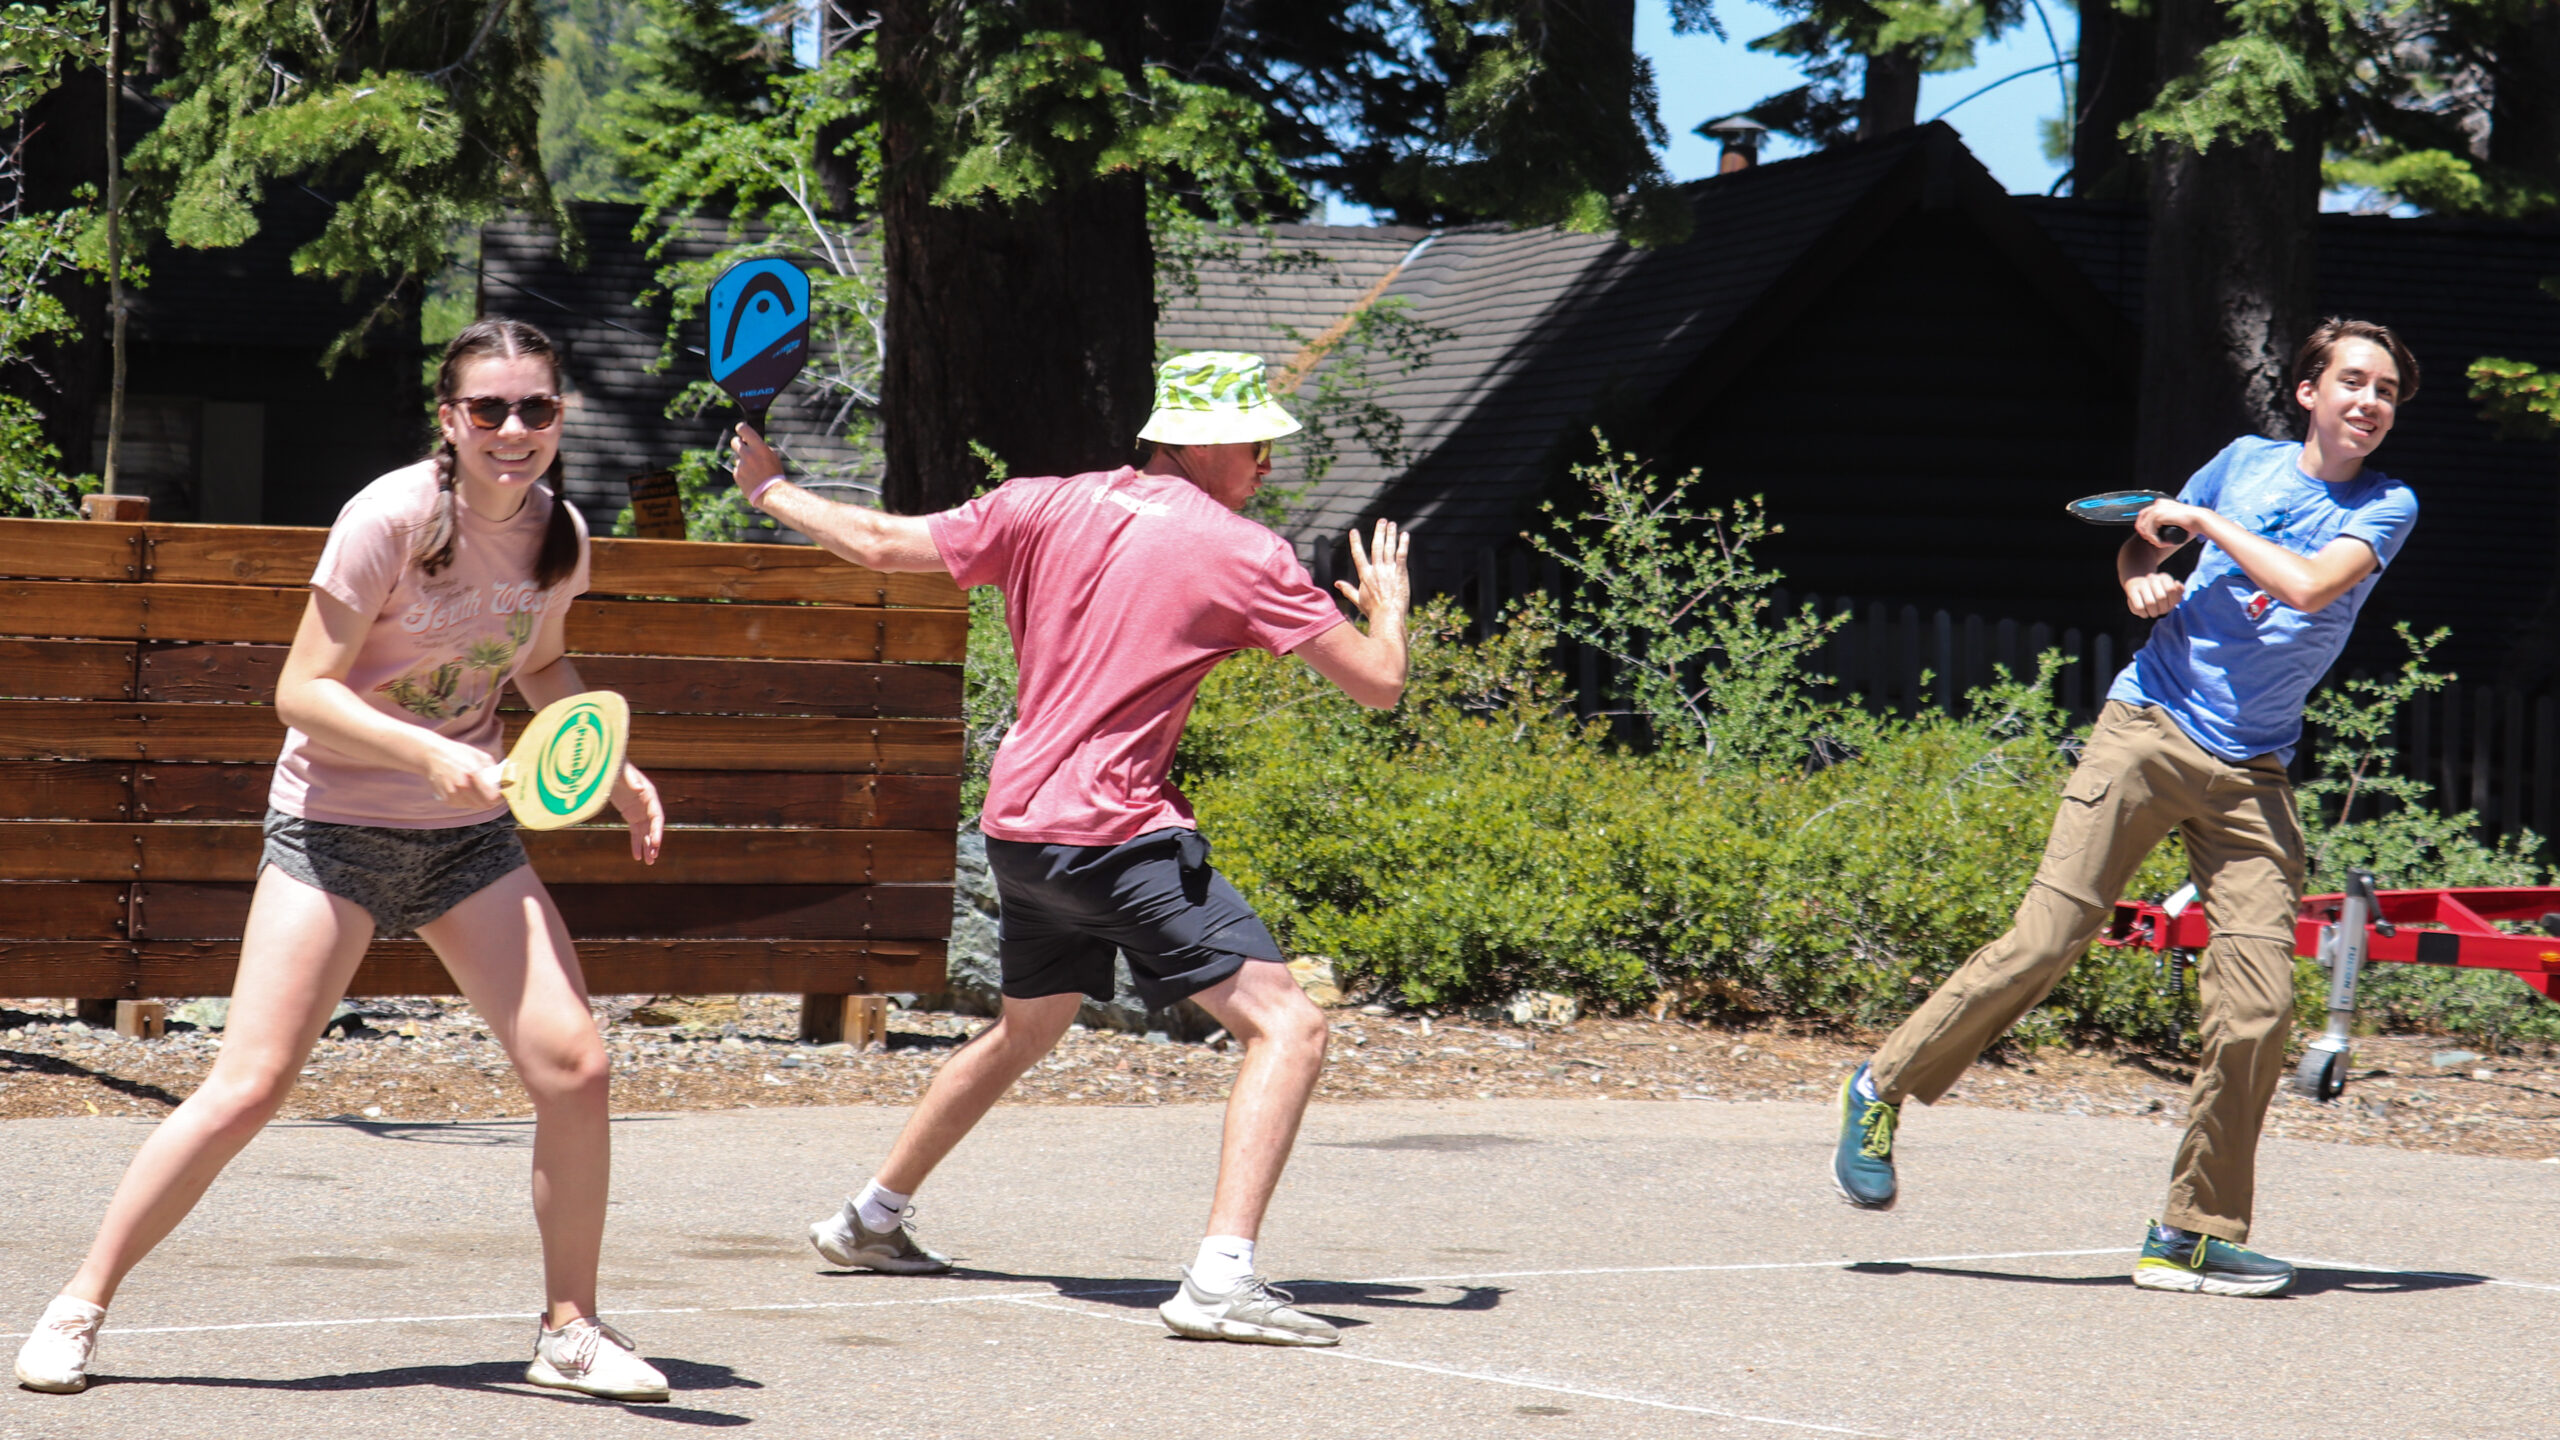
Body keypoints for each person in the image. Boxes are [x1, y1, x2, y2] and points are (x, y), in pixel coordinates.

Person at [13, 319, 672, 1399]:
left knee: (576, 1068)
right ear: (450, 420)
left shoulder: (559, 531)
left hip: (468, 840)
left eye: (536, 408)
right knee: (250, 1085)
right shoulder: (389, 518)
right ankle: (78, 1306)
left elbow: (542, 665)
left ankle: (569, 1331)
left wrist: (608, 761)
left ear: (563, 416)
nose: (513, 429)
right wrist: (427, 751)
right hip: (334, 830)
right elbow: (301, 690)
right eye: (489, 409)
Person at [726, 351, 1410, 1346]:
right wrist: (1387, 610)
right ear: (1201, 443)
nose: (1268, 465)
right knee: (1290, 1029)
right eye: (1258, 445)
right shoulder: (1245, 553)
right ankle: (1221, 1282)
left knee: (1027, 1029)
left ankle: (867, 1220)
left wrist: (771, 489)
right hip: (1115, 836)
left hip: (1019, 831)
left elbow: (877, 542)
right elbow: (1378, 684)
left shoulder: (1038, 503)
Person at [1830, 319, 2422, 1298]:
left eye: (2387, 391)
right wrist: (2141, 578)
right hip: (2147, 729)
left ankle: (2192, 1233)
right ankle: (1879, 1087)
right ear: (2308, 392)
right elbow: (2144, 552)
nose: (2369, 402)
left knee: (2258, 1009)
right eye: (2353, 381)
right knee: (2047, 938)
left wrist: (2206, 527)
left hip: (2253, 773)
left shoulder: (2387, 505)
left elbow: (2310, 587)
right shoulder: (2242, 462)